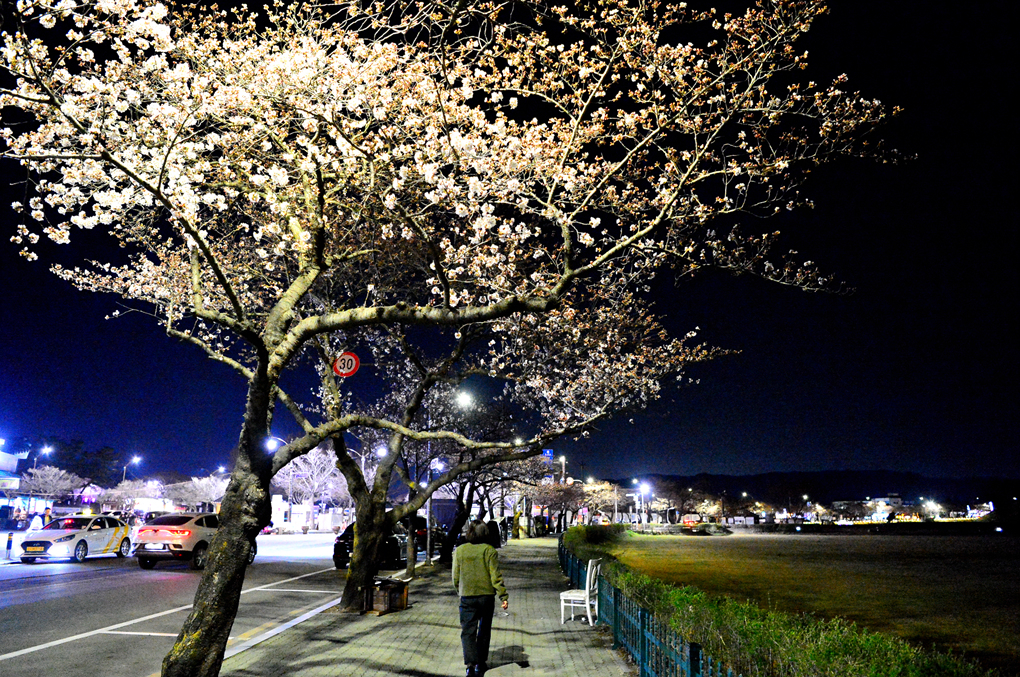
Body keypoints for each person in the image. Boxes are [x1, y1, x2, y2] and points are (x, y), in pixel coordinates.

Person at [452, 520, 509, 677]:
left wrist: (460, 590)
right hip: (486, 597)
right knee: (484, 630)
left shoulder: (460, 551)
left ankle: (470, 665)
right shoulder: (489, 551)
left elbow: (455, 576)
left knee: (468, 631)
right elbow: (495, 576)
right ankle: (480, 663)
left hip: (467, 597)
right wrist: (503, 596)